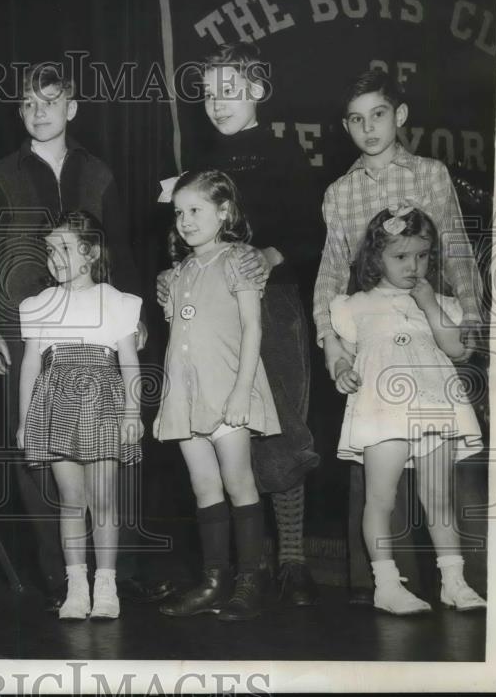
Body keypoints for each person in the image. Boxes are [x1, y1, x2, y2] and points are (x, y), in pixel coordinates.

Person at [0, 62, 173, 608]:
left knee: (111, 448)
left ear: (71, 109)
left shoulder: (98, 171)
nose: (39, 113)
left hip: (97, 327)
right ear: (20, 111)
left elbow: (120, 247)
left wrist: (140, 313)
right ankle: (61, 574)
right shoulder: (0, 174)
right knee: (40, 444)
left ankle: (114, 572)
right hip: (24, 325)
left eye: (50, 103)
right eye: (29, 104)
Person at [157, 41, 322, 606]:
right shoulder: (198, 165)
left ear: (256, 92)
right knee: (216, 430)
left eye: (229, 91)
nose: (217, 103)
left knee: (279, 428)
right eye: (207, 94)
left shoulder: (285, 154)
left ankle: (292, 562)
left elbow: (312, 234)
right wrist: (169, 277)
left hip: (270, 306)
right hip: (213, 316)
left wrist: (272, 255)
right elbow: (179, 237)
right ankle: (230, 570)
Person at [314, 68, 485, 604]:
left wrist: (472, 314)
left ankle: (455, 581)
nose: (369, 128)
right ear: (346, 126)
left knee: (443, 481)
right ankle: (385, 585)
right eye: (357, 120)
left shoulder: (430, 174)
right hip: (373, 337)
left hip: (431, 328)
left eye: (379, 115)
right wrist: (331, 340)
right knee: (379, 480)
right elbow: (330, 271)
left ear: (400, 116)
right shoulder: (340, 193)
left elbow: (455, 246)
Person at [329, 205, 485, 614]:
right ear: (375, 257)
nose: (413, 266)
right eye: (400, 257)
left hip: (434, 405)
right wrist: (342, 367)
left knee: (439, 498)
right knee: (380, 497)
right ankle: (386, 584)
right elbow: (341, 350)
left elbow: (456, 350)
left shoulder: (443, 303)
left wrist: (430, 303)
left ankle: (454, 581)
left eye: (422, 255)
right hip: (380, 408)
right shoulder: (354, 305)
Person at [155, 170, 280, 622]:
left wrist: (242, 391)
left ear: (224, 211)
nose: (185, 221)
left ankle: (250, 578)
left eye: (196, 210)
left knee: (238, 482)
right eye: (179, 213)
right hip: (187, 396)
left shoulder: (239, 260)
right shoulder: (179, 272)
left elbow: (253, 327)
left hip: (228, 390)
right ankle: (214, 580)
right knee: (203, 486)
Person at [17, 211, 143, 621]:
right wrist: (24, 420)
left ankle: (106, 584)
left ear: (90, 253)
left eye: (65, 248)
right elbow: (31, 365)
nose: (54, 257)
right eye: (50, 250)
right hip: (56, 405)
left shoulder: (118, 301)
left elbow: (128, 362)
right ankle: (76, 585)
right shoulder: (37, 305)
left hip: (103, 401)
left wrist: (132, 410)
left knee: (104, 499)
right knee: (71, 501)